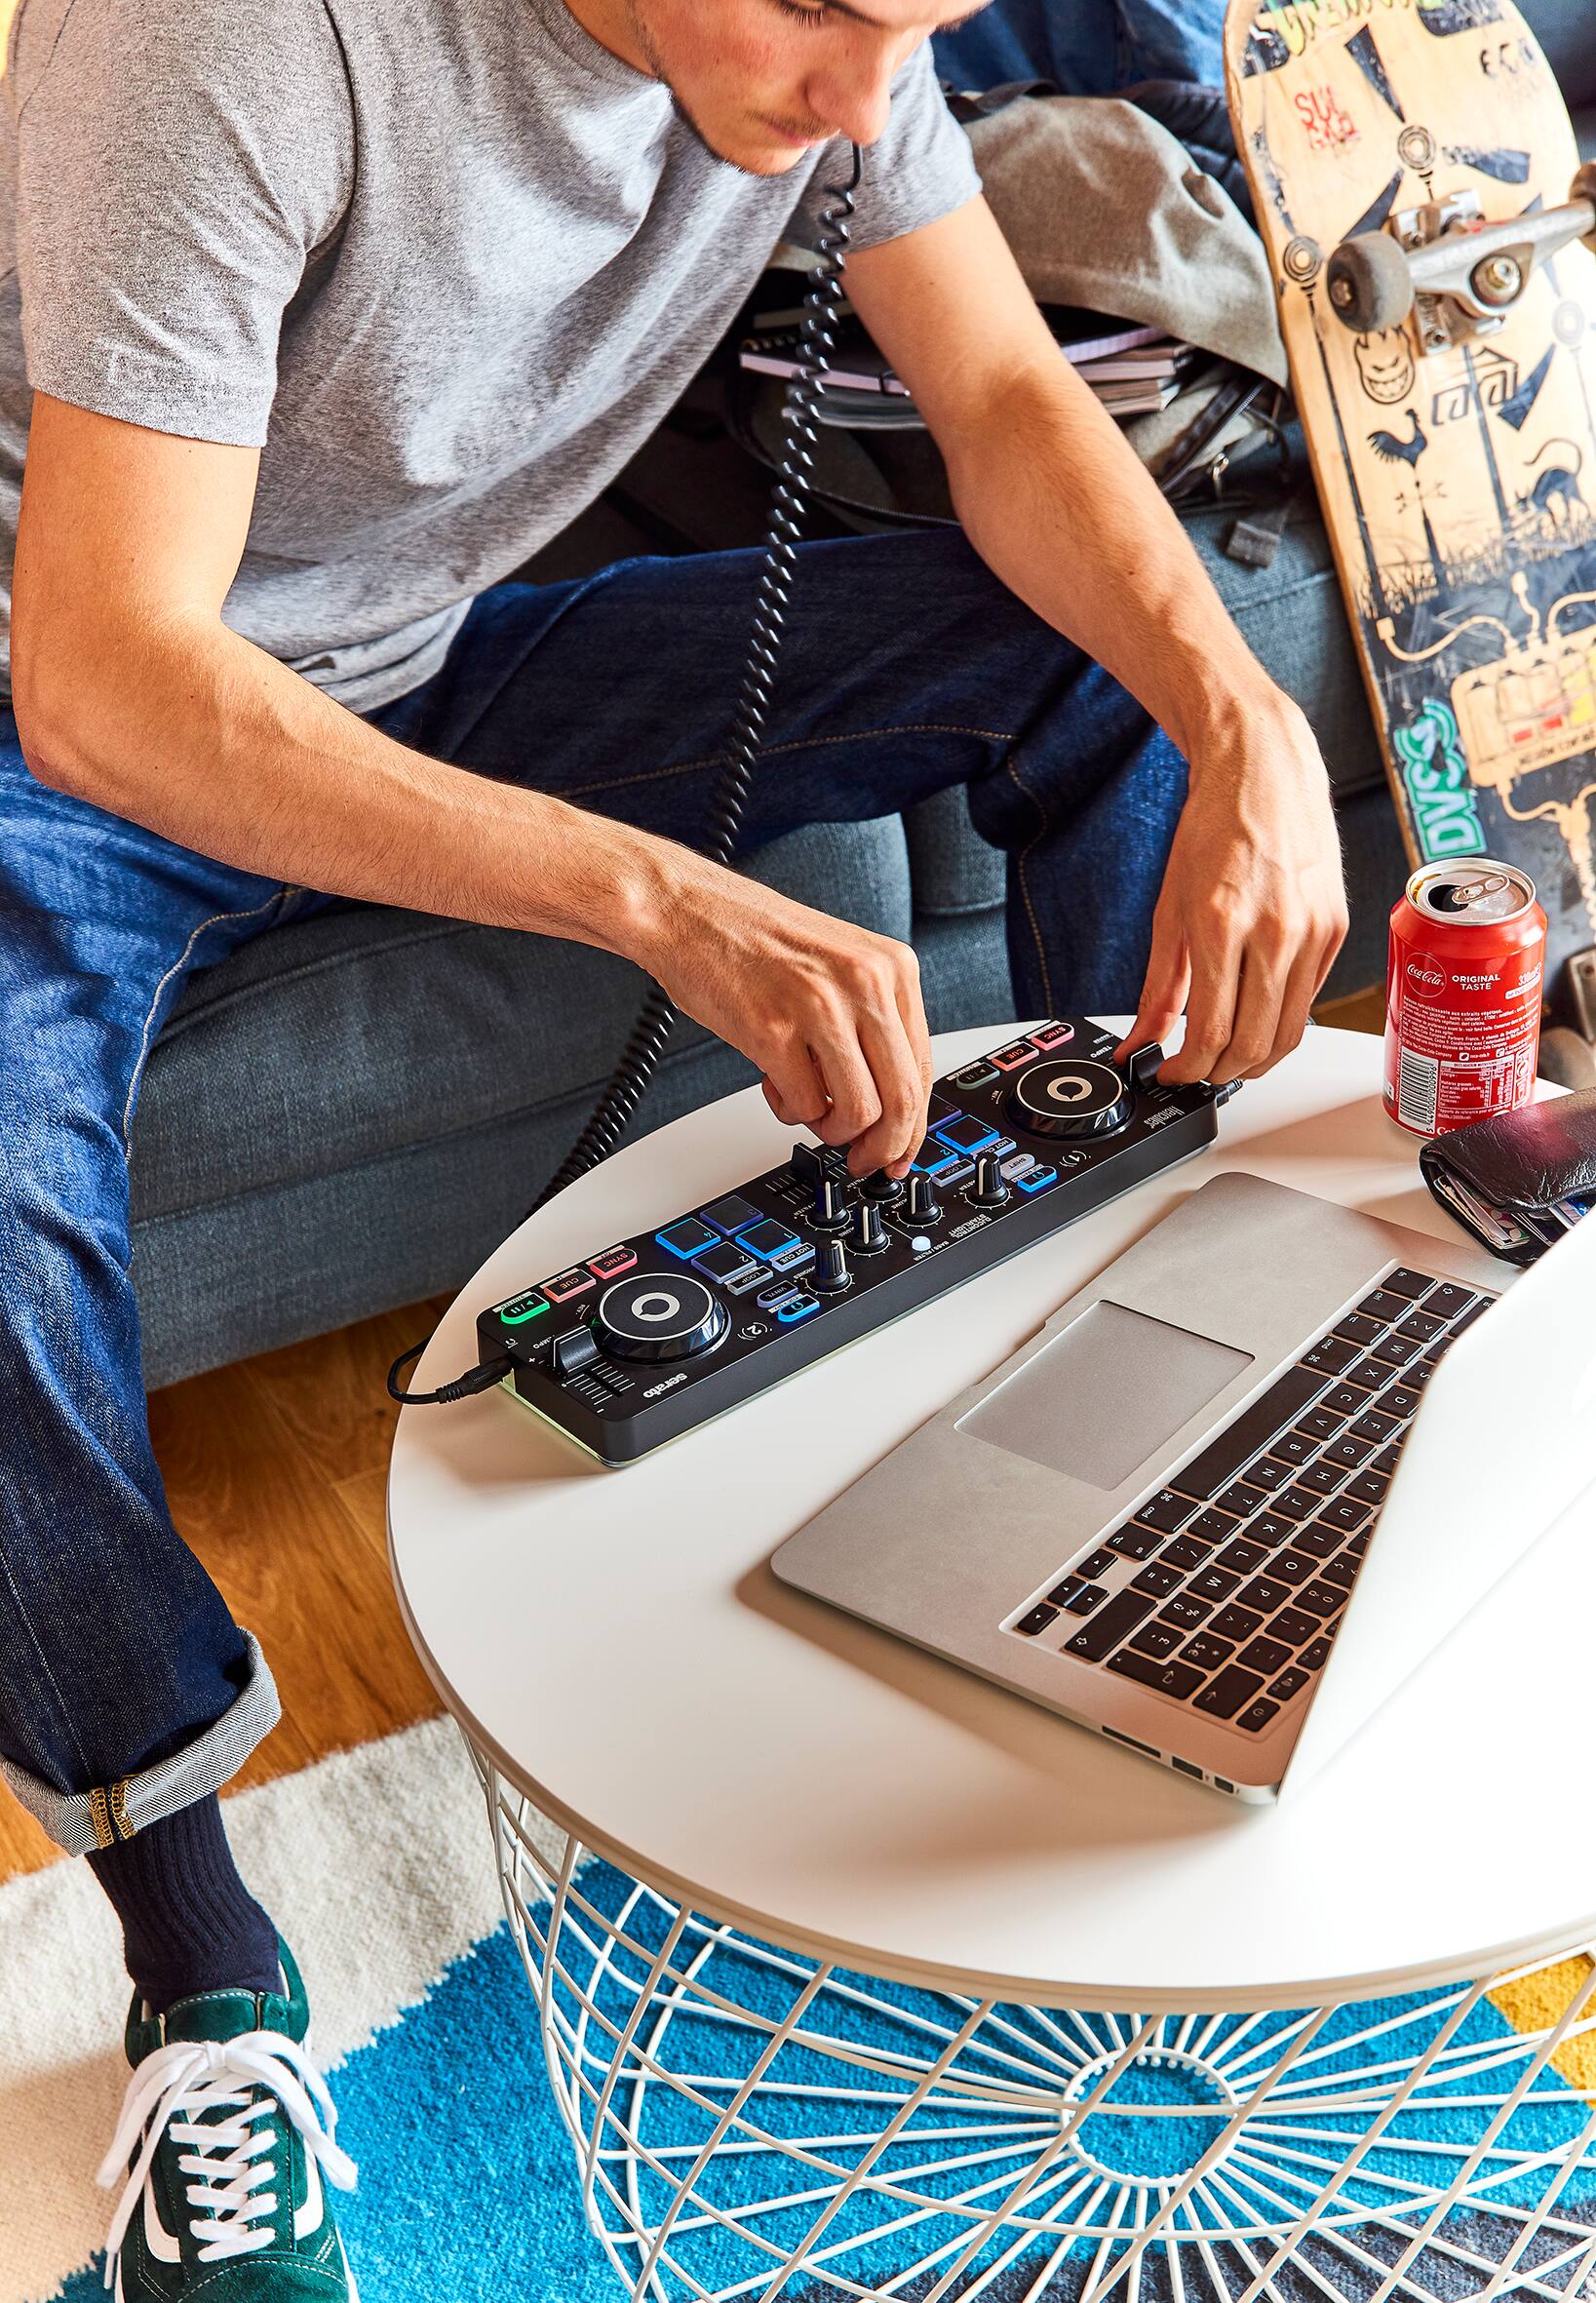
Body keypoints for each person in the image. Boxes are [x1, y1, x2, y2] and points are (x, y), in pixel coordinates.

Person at [0, 0, 1347, 2288]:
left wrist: (1244, 721)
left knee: (1109, 655)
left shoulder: (840, 61)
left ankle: (1097, 1481)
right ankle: (203, 1973)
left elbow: (1011, 401)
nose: (864, 100)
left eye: (913, 26)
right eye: (826, 13)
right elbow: (110, 673)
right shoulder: (221, 43)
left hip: (418, 666)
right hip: (66, 729)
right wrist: (652, 894)